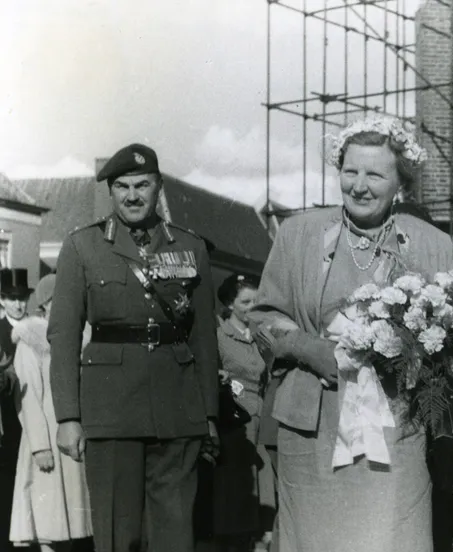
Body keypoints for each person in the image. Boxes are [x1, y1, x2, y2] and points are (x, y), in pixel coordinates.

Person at [248, 116, 453, 552]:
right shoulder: (298, 235)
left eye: (375, 174)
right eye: (350, 172)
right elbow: (263, 319)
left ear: (399, 184)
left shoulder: (432, 245)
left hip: (399, 431)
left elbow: (451, 345)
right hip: (313, 430)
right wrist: (313, 350)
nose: (360, 185)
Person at [48, 143, 220, 552]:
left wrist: (209, 412)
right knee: (117, 531)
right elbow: (64, 336)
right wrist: (68, 416)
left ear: (159, 186)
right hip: (111, 408)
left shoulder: (189, 247)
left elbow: (204, 338)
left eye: (142, 184)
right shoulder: (83, 247)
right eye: (122, 186)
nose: (132, 195)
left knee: (175, 531)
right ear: (111, 191)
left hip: (178, 406)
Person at [9, 274, 93, 550]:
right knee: (49, 522)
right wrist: (40, 447)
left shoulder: (82, 339)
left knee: (72, 522)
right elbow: (28, 398)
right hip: (45, 441)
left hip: (74, 441)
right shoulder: (31, 340)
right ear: (45, 304)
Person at [212, 274, 275, 551]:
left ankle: (261, 538)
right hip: (237, 420)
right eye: (245, 301)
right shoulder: (219, 335)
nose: (253, 306)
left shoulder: (262, 335)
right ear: (229, 304)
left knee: (264, 482)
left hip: (263, 417)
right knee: (239, 486)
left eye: (256, 300)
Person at [0, 268, 31, 551]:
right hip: (7, 418)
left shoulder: (36, 327)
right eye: (12, 298)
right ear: (2, 300)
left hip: (33, 415)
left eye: (22, 298)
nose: (18, 305)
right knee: (8, 479)